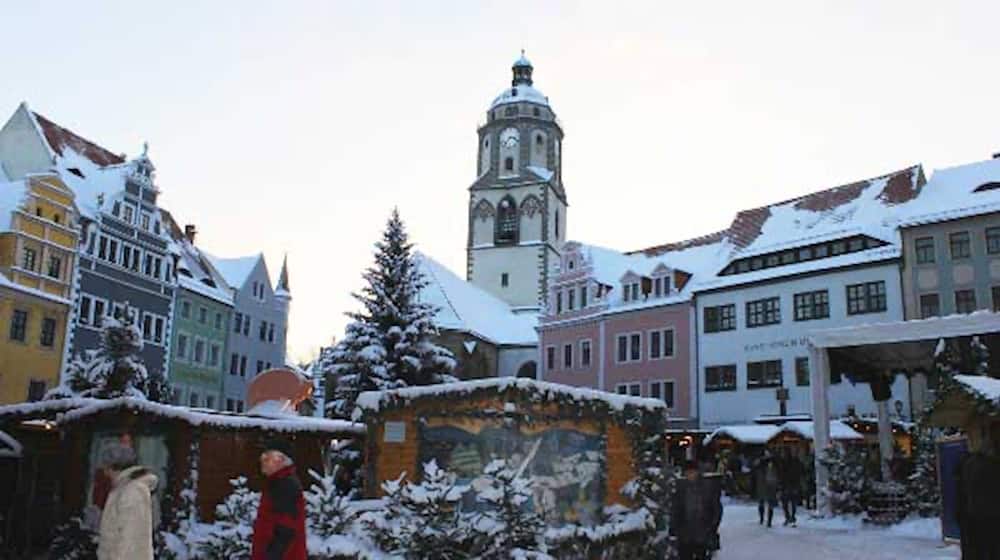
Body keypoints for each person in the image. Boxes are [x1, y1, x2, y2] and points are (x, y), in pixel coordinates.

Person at [96, 441, 158, 560]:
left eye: (105, 465)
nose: (104, 471)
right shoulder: (124, 488)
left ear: (111, 466)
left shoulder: (132, 491)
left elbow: (130, 537)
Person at [252, 438, 307, 560]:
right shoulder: (277, 483)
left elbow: (286, 529)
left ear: (281, 460)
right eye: (263, 457)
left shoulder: (285, 485)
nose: (263, 460)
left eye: (268, 457)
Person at [955, 424, 1000, 560]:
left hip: (973, 522)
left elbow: (961, 498)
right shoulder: (987, 464)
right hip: (986, 522)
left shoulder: (968, 463)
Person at [670, 461, 723, 560]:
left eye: (692, 472)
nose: (689, 475)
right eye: (687, 472)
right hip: (685, 533)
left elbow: (716, 509)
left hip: (703, 533)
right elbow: (675, 509)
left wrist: (712, 527)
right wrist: (674, 528)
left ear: (697, 472)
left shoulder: (707, 487)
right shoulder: (681, 488)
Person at [752, 451, 779, 528]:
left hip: (764, 484)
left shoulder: (760, 464)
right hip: (769, 484)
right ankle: (768, 521)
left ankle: (763, 519)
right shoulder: (772, 464)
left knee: (762, 502)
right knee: (769, 503)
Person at [778, 448, 803, 525]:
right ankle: (792, 517)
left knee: (785, 503)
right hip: (794, 485)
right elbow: (801, 472)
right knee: (793, 502)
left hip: (787, 485)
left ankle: (788, 517)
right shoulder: (797, 462)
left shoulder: (783, 463)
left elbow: (781, 474)